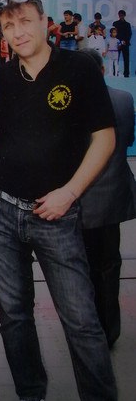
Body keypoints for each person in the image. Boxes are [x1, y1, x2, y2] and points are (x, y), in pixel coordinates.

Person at [0, 0, 119, 401]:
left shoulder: (79, 68)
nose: (18, 32)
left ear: (44, 22)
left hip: (56, 214)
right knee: (13, 314)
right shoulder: (3, 75)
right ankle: (31, 393)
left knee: (81, 320)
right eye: (9, 25)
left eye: (25, 21)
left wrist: (69, 193)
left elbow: (105, 138)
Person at [80, 48, 136, 348]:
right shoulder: (124, 99)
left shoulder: (72, 103)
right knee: (109, 266)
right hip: (113, 199)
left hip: (79, 200)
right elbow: (128, 140)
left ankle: (88, 331)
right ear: (103, 70)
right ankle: (109, 330)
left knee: (83, 268)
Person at [113, 9, 132, 77]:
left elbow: (129, 34)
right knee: (115, 59)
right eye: (120, 15)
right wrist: (118, 41)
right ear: (118, 15)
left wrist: (125, 41)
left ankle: (126, 73)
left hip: (125, 44)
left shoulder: (128, 24)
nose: (121, 16)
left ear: (124, 15)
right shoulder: (115, 23)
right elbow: (113, 33)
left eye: (122, 15)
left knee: (126, 59)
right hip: (117, 44)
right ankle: (115, 72)